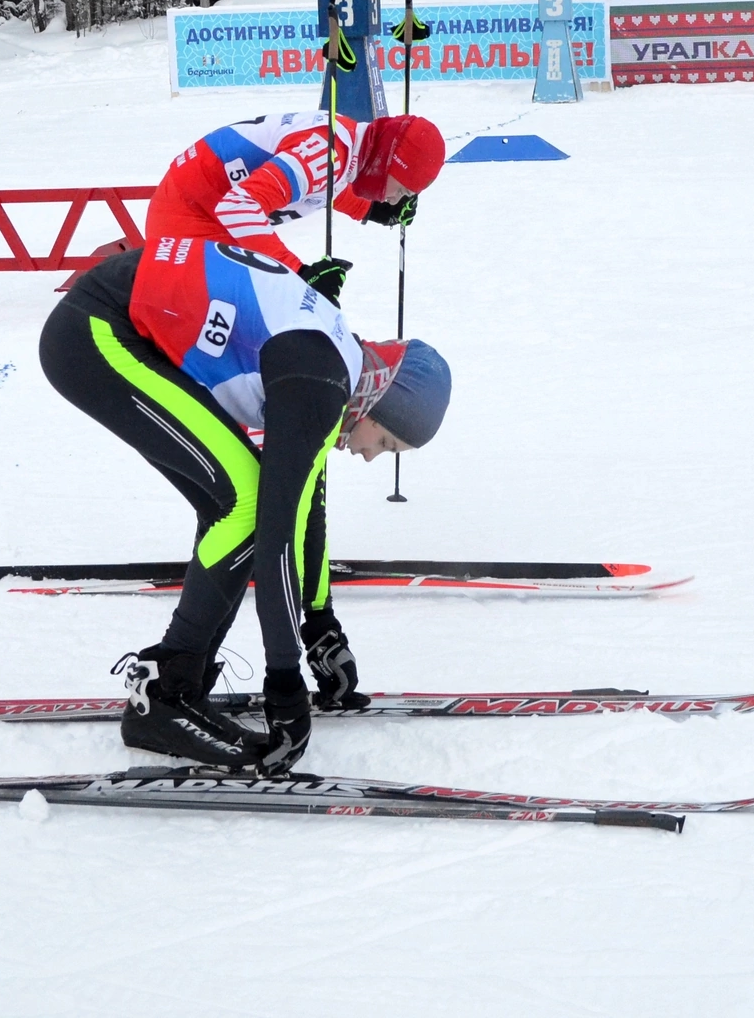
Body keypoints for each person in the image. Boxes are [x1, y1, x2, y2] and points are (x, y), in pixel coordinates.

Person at [39, 233, 453, 772]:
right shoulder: (319, 381)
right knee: (244, 501)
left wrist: (319, 626)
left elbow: (304, 510)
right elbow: (278, 534)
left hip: (111, 319)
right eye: (388, 443)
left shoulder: (337, 366)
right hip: (95, 331)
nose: (373, 457)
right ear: (383, 405)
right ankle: (167, 695)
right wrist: (285, 683)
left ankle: (177, 682)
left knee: (239, 503)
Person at [146, 112, 446, 294]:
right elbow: (237, 207)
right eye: (401, 189)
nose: (397, 198)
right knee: (251, 317)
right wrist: (300, 273)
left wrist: (370, 209)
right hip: (188, 217)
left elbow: (324, 184)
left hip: (207, 209)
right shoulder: (322, 153)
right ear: (386, 163)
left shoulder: (349, 144)